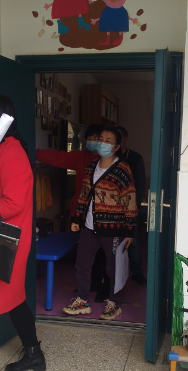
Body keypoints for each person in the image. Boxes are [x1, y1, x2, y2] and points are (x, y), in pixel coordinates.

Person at [0, 95, 45, 371]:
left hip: (7, 240)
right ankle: (34, 354)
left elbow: (13, 203)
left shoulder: (12, 150)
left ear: (1, 119)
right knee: (14, 299)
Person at [64, 127, 138, 320]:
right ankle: (82, 301)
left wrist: (129, 231)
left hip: (113, 229)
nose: (102, 143)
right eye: (100, 139)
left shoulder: (123, 169)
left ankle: (114, 303)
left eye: (108, 140)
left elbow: (130, 200)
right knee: (82, 264)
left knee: (114, 268)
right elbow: (84, 194)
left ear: (116, 147)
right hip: (89, 226)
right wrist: (77, 219)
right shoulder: (91, 167)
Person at [36, 124, 111, 302]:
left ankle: (101, 286)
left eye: (96, 138)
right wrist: (34, 151)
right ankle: (85, 288)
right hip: (83, 213)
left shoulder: (111, 161)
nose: (92, 141)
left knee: (104, 254)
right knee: (85, 254)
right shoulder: (80, 157)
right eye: (89, 138)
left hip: (106, 216)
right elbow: (57, 157)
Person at [117, 126, 147, 286]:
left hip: (130, 206)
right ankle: (113, 274)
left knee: (133, 240)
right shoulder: (108, 158)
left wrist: (136, 204)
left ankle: (137, 272)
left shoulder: (135, 158)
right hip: (111, 207)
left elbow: (141, 183)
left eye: (119, 136)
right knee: (111, 241)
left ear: (125, 139)